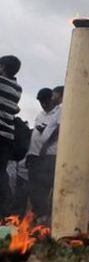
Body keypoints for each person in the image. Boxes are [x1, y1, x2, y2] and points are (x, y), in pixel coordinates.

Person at [26, 87, 60, 222]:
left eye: (46, 101)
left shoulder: (59, 111)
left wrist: (45, 147)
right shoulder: (40, 115)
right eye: (41, 102)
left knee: (46, 186)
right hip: (34, 155)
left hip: (49, 156)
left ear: (52, 98)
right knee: (33, 187)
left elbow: (59, 130)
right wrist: (30, 153)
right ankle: (38, 214)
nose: (44, 105)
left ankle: (47, 216)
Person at [0, 55, 22, 217]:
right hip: (7, 137)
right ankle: (4, 211)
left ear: (2, 67)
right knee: (1, 172)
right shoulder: (17, 88)